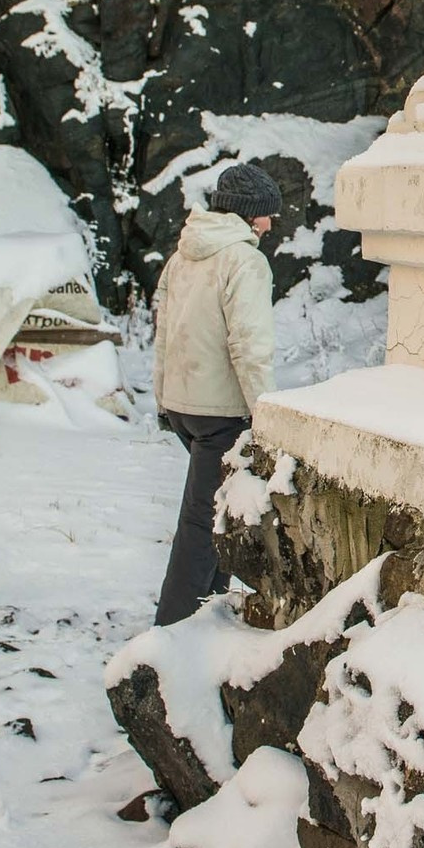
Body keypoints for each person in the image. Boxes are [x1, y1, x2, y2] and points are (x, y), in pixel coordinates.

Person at [149, 162, 282, 626]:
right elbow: (249, 346)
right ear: (249, 215)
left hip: (185, 406)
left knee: (215, 516)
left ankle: (207, 618)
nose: (270, 224)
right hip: (222, 412)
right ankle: (172, 629)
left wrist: (164, 399)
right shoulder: (244, 260)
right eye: (266, 215)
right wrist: (267, 417)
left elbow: (163, 332)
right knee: (202, 526)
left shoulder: (184, 254)